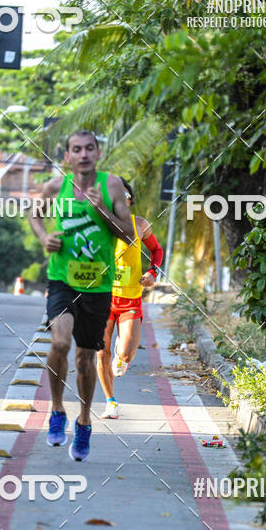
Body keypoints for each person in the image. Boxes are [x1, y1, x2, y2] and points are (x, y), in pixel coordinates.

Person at [29, 130, 134, 461]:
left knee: (84, 359)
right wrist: (45, 237)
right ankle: (57, 410)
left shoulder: (112, 185)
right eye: (77, 149)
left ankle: (85, 420)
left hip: (98, 286)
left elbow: (129, 234)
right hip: (62, 279)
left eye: (90, 148)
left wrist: (103, 210)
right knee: (60, 343)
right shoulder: (55, 187)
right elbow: (35, 214)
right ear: (68, 157)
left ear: (98, 153)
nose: (84, 154)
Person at [97, 178, 163, 419]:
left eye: (124, 197)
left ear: (130, 200)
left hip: (130, 299)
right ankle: (111, 402)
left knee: (125, 354)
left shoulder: (141, 225)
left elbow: (156, 250)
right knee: (101, 353)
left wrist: (151, 272)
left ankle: (121, 354)